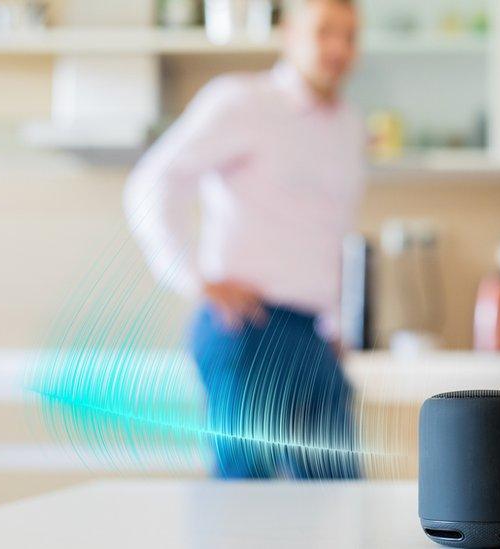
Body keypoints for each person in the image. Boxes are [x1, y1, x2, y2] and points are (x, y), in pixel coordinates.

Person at [124, 0, 363, 480]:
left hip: (311, 336)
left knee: (341, 498)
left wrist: (335, 323)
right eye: (324, 32)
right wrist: (192, 278)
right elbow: (154, 180)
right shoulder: (243, 102)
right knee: (245, 507)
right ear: (289, 34)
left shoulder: (349, 127)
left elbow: (330, 231)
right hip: (248, 327)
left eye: (350, 36)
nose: (338, 47)